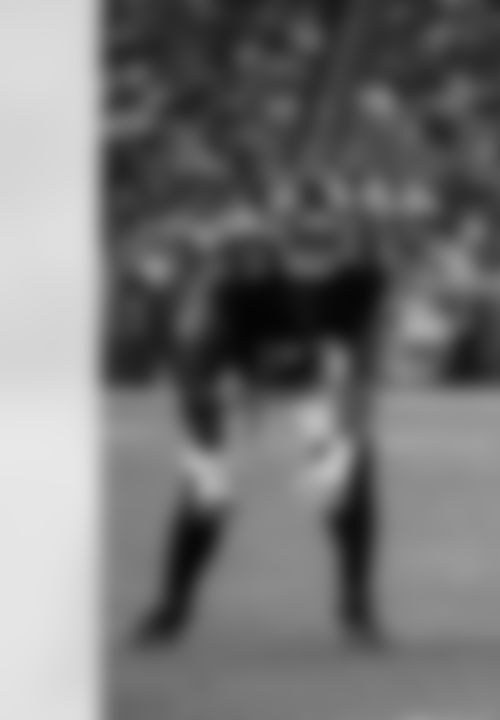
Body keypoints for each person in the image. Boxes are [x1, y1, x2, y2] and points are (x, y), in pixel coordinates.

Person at [132, 179, 391, 649]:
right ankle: (172, 607)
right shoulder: (234, 283)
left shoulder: (363, 281)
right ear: (277, 238)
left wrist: (346, 445)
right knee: (205, 499)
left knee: (352, 488)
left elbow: (362, 374)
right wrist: (205, 454)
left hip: (314, 391)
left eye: (325, 239)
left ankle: (357, 607)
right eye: (302, 238)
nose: (314, 255)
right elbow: (195, 371)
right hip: (241, 389)